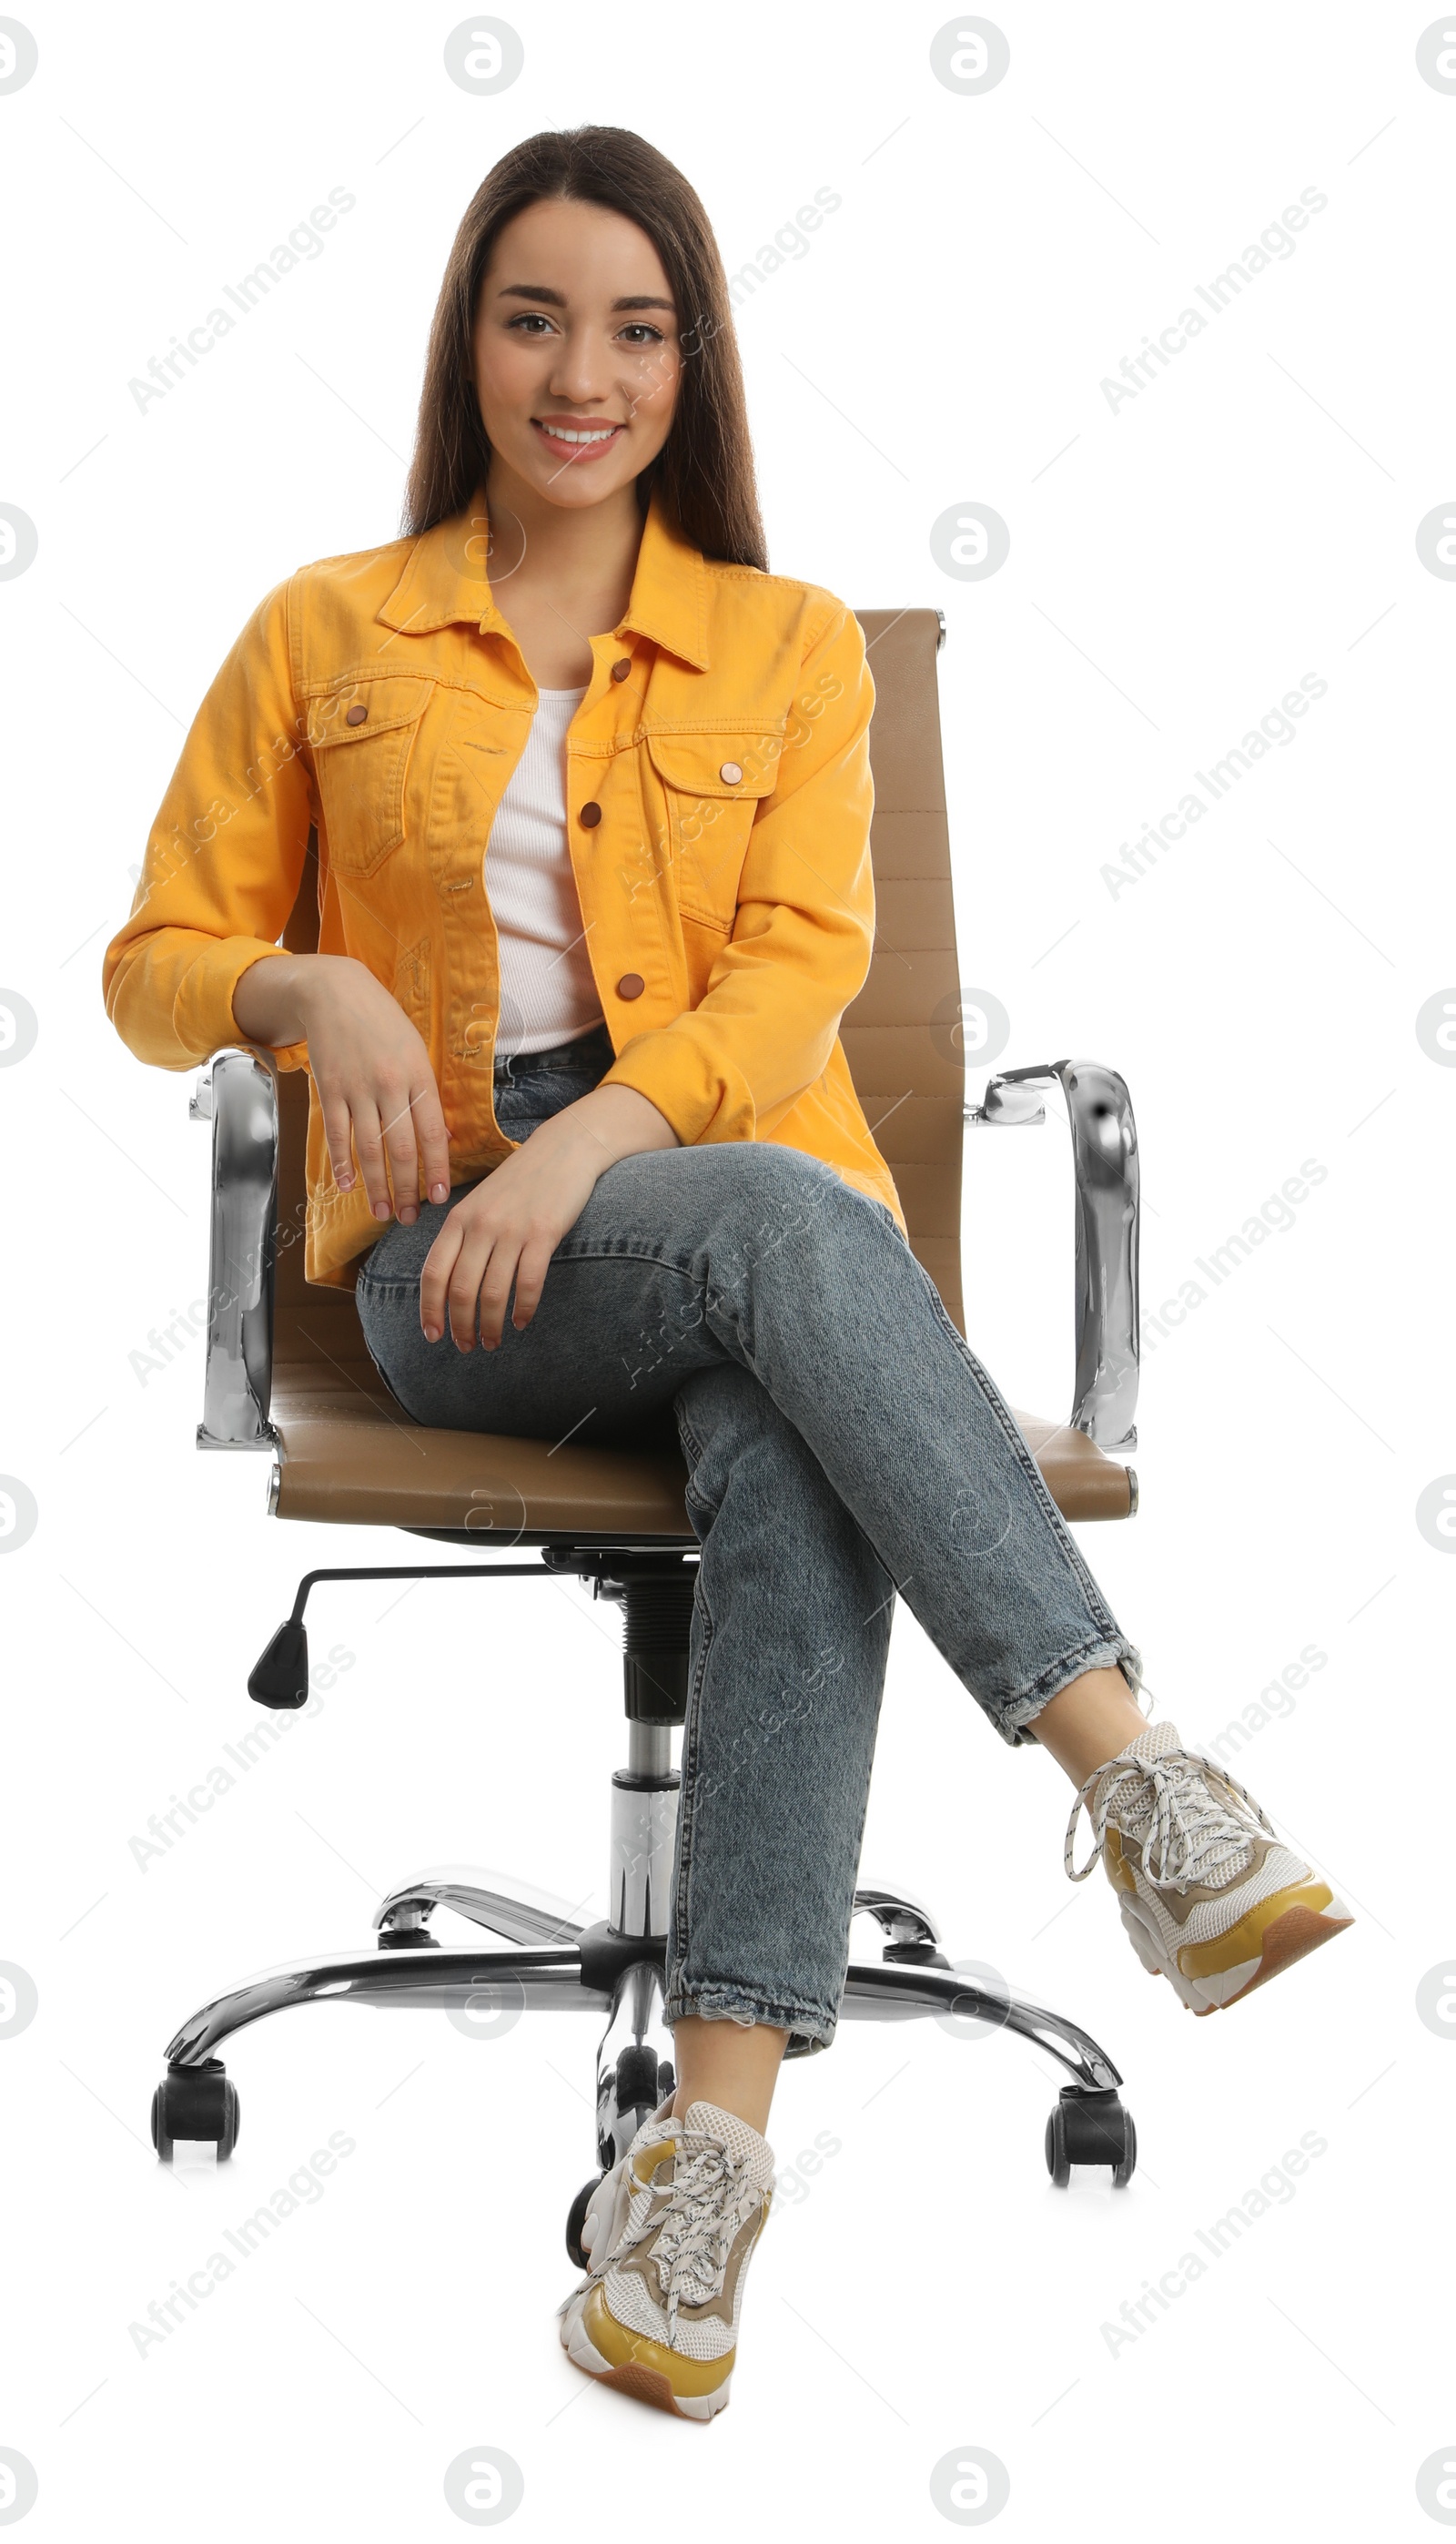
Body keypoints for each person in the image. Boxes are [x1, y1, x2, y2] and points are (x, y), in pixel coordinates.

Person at [102, 125, 1352, 2425]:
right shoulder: (325, 628)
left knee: (792, 1387)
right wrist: (308, 996)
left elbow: (796, 980)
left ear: (695, 362)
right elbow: (154, 964)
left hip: (701, 1217)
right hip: (450, 1283)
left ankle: (696, 2196)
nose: (584, 373)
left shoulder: (784, 650)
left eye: (638, 327)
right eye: (535, 315)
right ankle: (1133, 1774)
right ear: (469, 339)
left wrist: (583, 1149)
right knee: (800, 1238)